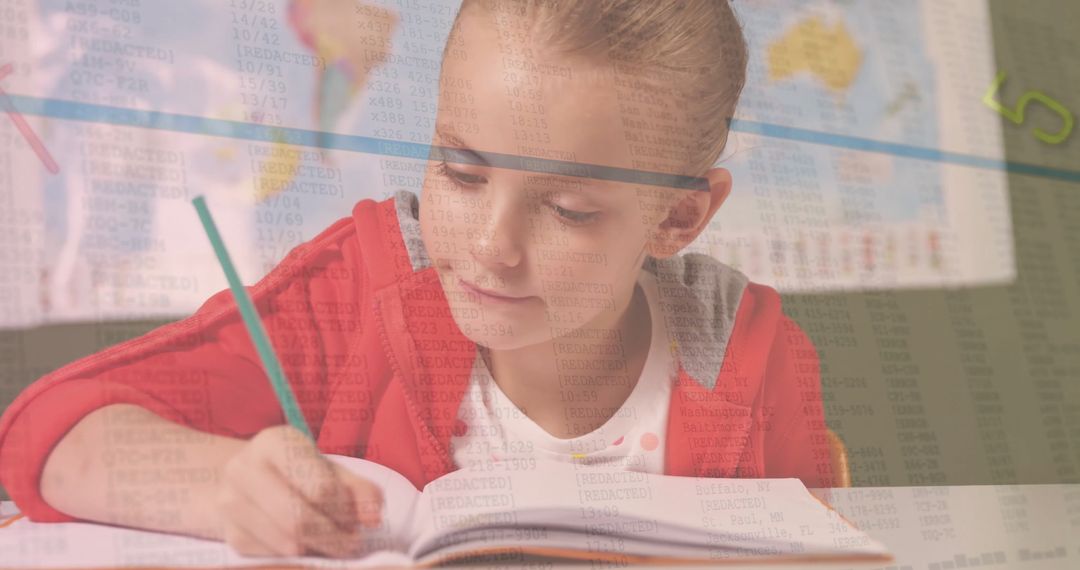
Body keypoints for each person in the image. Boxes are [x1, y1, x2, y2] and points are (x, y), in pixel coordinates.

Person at [0, 0, 834, 559]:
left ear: (679, 219)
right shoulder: (357, 290)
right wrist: (223, 488)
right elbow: (48, 433)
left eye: (570, 210)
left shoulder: (750, 364)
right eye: (461, 173)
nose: (491, 245)